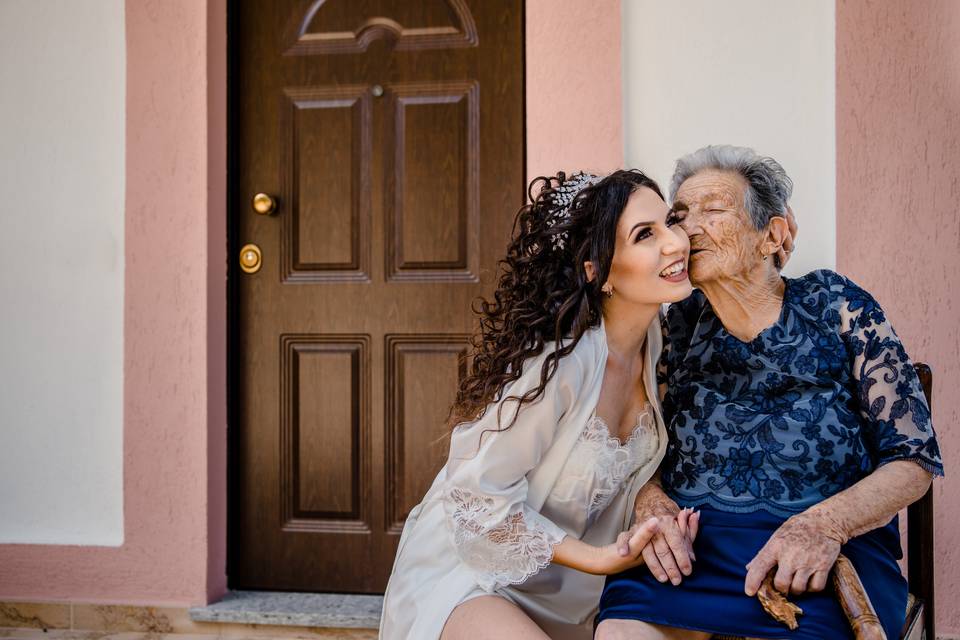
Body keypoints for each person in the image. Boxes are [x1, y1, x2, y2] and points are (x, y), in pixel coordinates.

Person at [596, 145, 944, 640]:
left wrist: (824, 526)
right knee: (622, 632)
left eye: (713, 210)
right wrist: (649, 502)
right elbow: (637, 442)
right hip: (694, 547)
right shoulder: (675, 324)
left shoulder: (838, 306)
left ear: (772, 234)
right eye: (678, 215)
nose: (687, 229)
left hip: (825, 550)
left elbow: (914, 460)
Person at [379, 169, 699, 640]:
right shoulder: (562, 365)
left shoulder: (657, 343)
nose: (675, 243)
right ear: (597, 270)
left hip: (571, 596)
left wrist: (650, 505)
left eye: (670, 222)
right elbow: (476, 498)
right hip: (474, 575)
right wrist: (600, 558)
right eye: (645, 235)